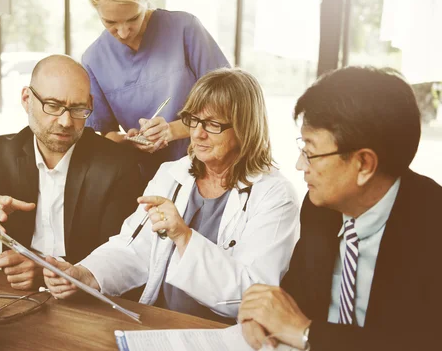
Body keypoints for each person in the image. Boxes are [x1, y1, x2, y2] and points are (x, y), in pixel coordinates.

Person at [42, 68, 300, 322]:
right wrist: (84, 274)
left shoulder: (274, 194)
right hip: (161, 321)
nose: (197, 133)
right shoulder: (172, 174)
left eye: (212, 124)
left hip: (224, 335)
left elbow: (252, 297)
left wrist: (184, 237)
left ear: (245, 128)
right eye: (194, 120)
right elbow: (133, 249)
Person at [237, 67, 442, 351]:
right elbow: (298, 294)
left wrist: (304, 333)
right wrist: (264, 315)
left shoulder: (431, 225)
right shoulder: (321, 208)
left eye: (311, 152)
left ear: (364, 164)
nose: (299, 166)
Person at [0, 54, 143, 291]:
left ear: (90, 104)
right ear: (26, 99)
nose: (65, 121)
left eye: (78, 108)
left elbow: (119, 256)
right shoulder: (1, 152)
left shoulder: (117, 164)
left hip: (85, 304)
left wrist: (46, 271)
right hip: (12, 294)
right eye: (52, 106)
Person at [83, 0, 230, 180]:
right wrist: (130, 139)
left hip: (210, 165)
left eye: (133, 18)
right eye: (110, 23)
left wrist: (172, 130)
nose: (124, 32)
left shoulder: (185, 29)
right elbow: (106, 133)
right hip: (149, 176)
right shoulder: (93, 59)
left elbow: (229, 101)